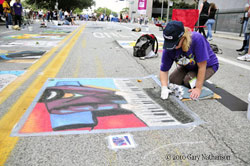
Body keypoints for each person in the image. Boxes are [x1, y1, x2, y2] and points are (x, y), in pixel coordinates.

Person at [160, 21, 219, 100]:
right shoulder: (169, 48)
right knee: (173, 80)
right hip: (188, 65)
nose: (173, 47)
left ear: (183, 37)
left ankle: (195, 79)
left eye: (175, 44)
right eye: (170, 44)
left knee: (188, 81)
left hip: (208, 66)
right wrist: (164, 88)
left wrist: (198, 88)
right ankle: (191, 74)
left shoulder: (197, 39)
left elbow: (202, 66)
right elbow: (164, 69)